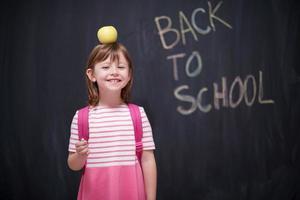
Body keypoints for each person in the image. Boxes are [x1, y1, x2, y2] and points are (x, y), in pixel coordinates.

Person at [67, 40, 157, 200]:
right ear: (92, 74)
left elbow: (148, 159)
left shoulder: (138, 114)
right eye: (106, 67)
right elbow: (73, 164)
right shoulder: (81, 118)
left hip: (131, 192)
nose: (114, 72)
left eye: (121, 67)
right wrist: (80, 156)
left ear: (129, 75)